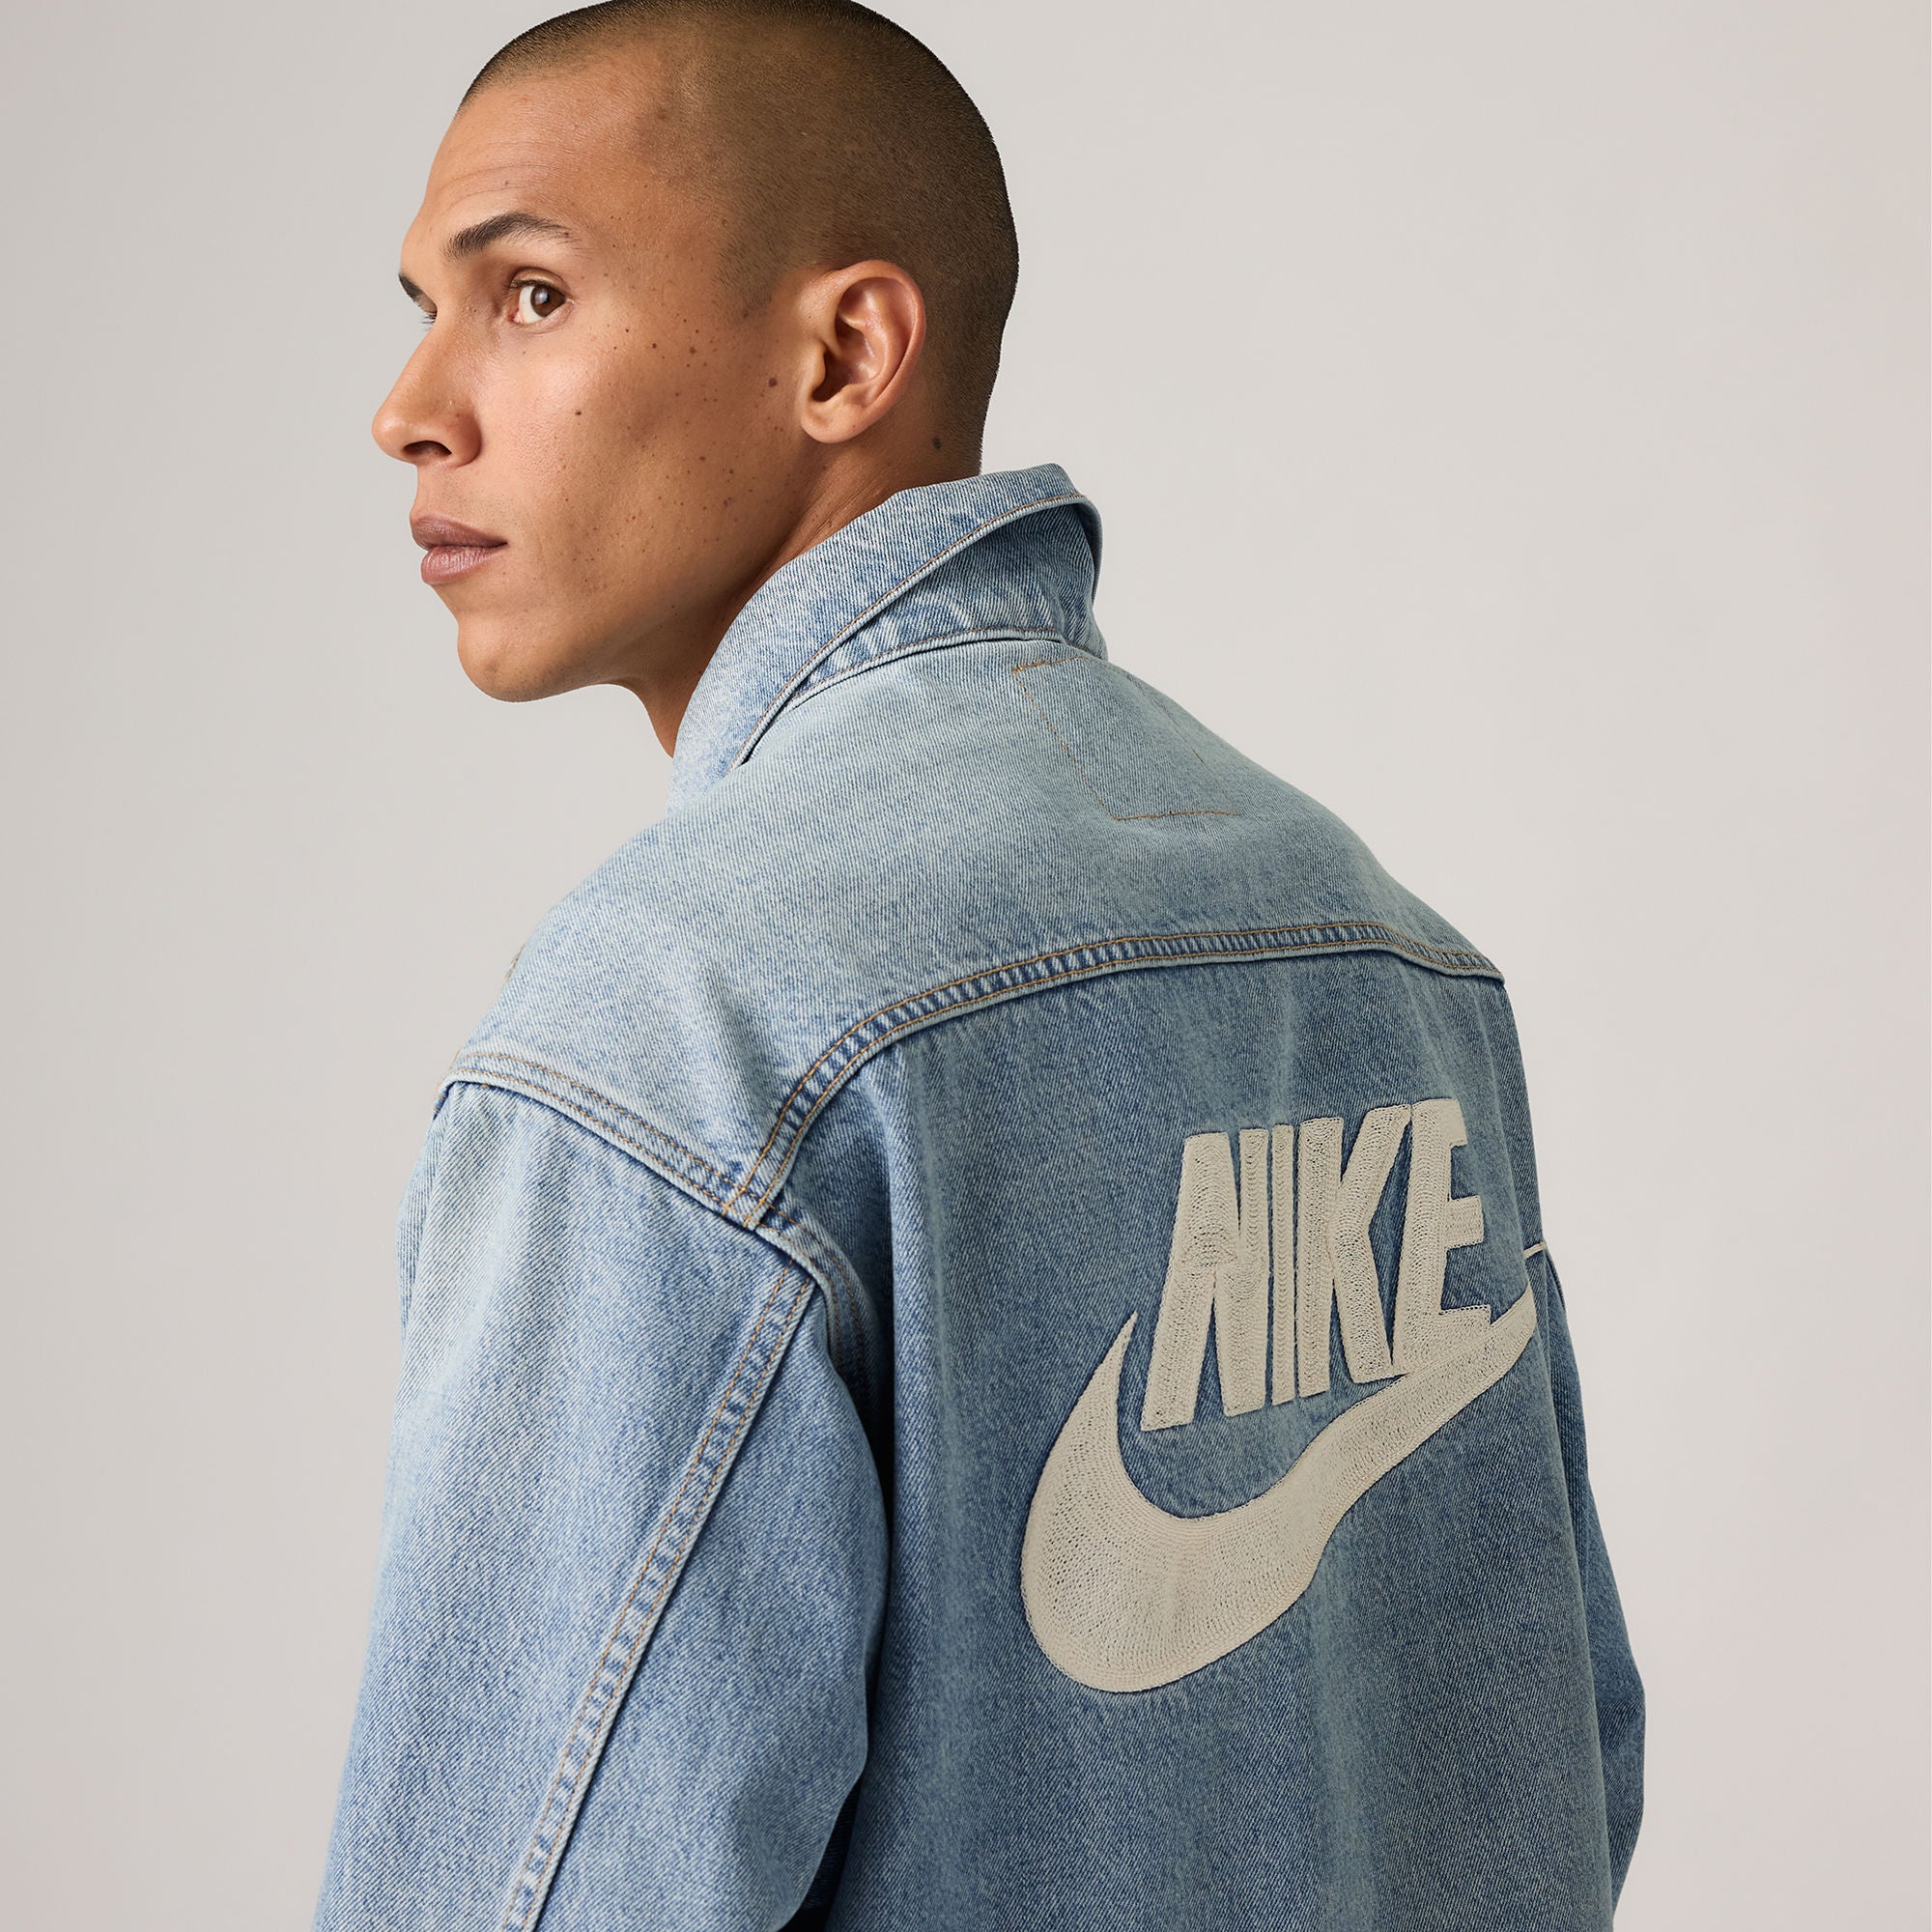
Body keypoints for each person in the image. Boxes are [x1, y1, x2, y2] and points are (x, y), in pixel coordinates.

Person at [316, 2, 1644, 1925]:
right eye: (425, 306)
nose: (411, 406)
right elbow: (1550, 1766)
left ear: (844, 355)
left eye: (528, 295)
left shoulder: (673, 1023)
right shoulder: (1381, 943)